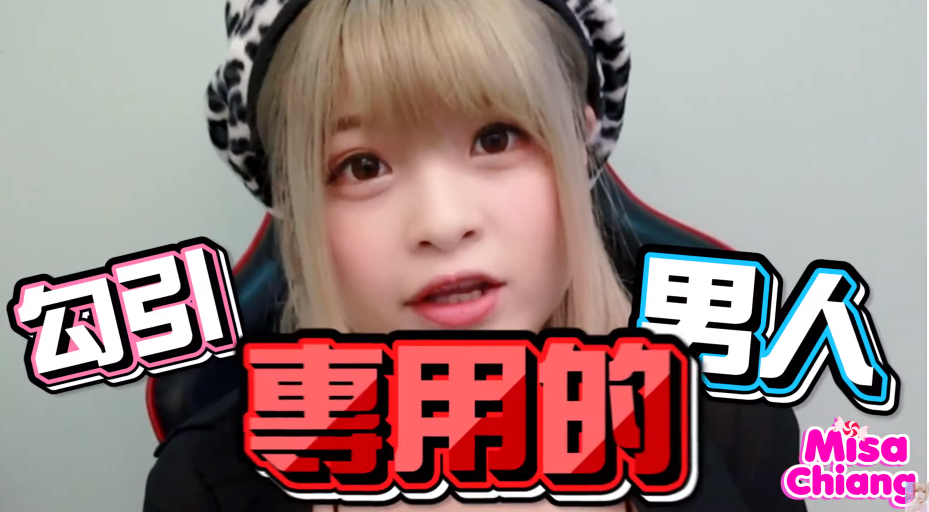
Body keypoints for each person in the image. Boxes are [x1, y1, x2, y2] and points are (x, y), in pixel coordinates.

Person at [144, 0, 806, 510]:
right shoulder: (204, 489)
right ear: (296, 203)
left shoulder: (729, 428)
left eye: (496, 138)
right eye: (362, 166)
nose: (443, 223)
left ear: (580, 146)